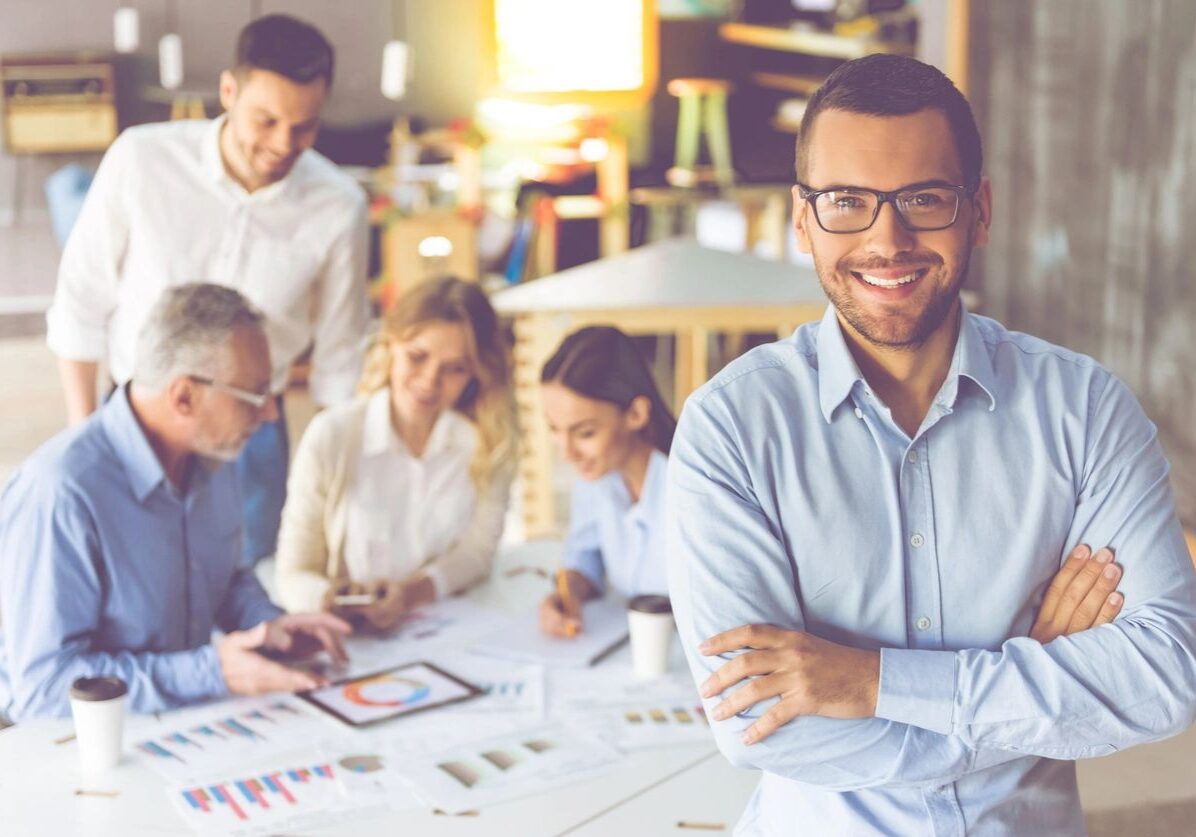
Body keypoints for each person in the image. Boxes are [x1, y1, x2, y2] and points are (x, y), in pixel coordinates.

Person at [666, 54, 1196, 834]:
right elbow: (764, 727)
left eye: (924, 198)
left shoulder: (1085, 409)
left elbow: (1161, 680)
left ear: (979, 209)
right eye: (847, 200)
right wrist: (1030, 687)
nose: (889, 238)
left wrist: (873, 681)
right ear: (802, 218)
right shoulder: (730, 430)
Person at [45, 14, 369, 566]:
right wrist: (84, 440)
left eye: (304, 126)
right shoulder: (140, 160)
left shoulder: (339, 207)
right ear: (228, 91)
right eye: (265, 120)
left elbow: (340, 362)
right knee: (126, 577)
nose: (282, 144)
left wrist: (336, 491)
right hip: (135, 417)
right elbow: (80, 304)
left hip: (252, 433)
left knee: (246, 584)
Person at [0, 284, 350, 722]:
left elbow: (222, 579)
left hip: (176, 725)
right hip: (70, 746)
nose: (270, 416)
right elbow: (43, 689)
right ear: (183, 396)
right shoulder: (60, 494)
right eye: (256, 396)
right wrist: (211, 672)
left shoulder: (212, 458)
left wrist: (267, 627)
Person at [274, 277, 517, 632]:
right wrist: (333, 600)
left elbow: (477, 553)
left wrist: (413, 594)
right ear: (390, 347)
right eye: (417, 357)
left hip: (450, 627)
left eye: (455, 368)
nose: (430, 381)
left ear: (477, 373)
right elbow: (293, 571)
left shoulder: (487, 443)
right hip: (352, 635)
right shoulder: (333, 436)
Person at [538, 326, 676, 638]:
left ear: (636, 414)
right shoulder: (597, 477)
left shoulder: (692, 488)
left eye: (585, 433)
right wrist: (569, 591)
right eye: (555, 430)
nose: (567, 454)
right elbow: (585, 553)